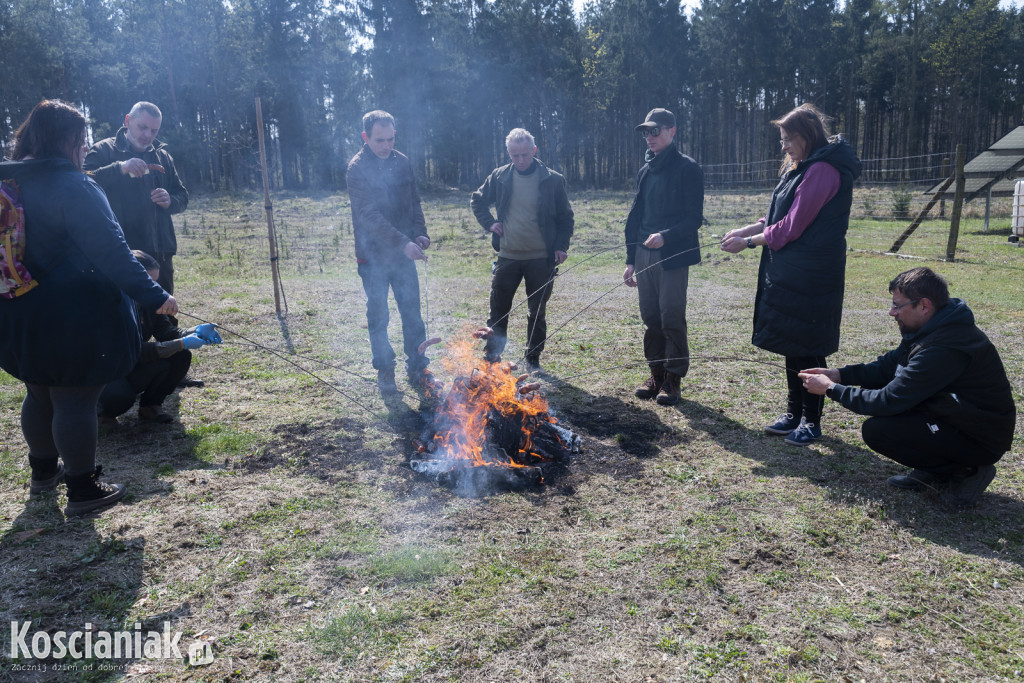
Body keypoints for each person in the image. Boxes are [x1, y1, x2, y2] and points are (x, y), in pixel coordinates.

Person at [0, 100, 178, 516]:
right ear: (66, 141)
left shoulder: (11, 182)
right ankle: (83, 487)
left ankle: (44, 472)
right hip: (72, 314)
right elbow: (113, 252)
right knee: (76, 398)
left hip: (18, 308)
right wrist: (157, 296)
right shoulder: (74, 186)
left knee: (40, 391)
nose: (84, 148)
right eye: (80, 141)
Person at [800, 268, 1016, 509]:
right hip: (951, 416)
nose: (892, 312)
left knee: (880, 431)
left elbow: (888, 400)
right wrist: (839, 375)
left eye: (898, 305)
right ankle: (937, 468)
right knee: (888, 425)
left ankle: (969, 470)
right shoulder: (931, 329)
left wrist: (831, 389)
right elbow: (888, 367)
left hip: (978, 437)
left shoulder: (946, 346)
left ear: (924, 305)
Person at [721, 104, 861, 445]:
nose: (783, 146)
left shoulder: (823, 170)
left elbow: (792, 227)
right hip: (792, 271)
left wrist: (750, 242)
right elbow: (778, 215)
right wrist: (745, 229)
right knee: (792, 341)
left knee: (809, 344)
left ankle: (811, 421)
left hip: (813, 273)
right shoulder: (802, 167)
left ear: (807, 135)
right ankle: (793, 412)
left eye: (788, 139)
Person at [83, 102, 200, 388]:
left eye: (154, 130)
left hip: (160, 248)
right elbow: (82, 182)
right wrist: (119, 168)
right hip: (124, 250)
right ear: (127, 121)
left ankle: (174, 367)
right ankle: (121, 373)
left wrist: (170, 200)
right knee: (124, 312)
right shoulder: (104, 151)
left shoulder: (163, 156)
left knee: (164, 306)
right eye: (142, 127)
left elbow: (182, 195)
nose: (147, 135)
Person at [470, 128, 575, 373]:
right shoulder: (499, 177)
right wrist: (490, 223)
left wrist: (561, 246)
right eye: (514, 155)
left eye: (524, 155)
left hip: (541, 258)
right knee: (498, 311)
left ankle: (533, 358)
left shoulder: (552, 179)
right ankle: (493, 357)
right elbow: (477, 200)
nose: (519, 160)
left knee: (536, 311)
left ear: (534, 151)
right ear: (508, 153)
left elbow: (565, 218)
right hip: (507, 256)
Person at [346, 110, 434, 395]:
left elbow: (414, 201)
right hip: (372, 258)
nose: (386, 145)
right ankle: (385, 370)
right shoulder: (357, 168)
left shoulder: (402, 162)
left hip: (404, 253)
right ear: (365, 137)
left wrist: (419, 233)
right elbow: (369, 216)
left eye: (391, 139)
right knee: (379, 315)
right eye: (380, 140)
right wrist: (403, 242)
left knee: (412, 313)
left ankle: (418, 367)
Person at [623, 108, 704, 406]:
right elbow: (635, 218)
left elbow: (694, 218)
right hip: (643, 255)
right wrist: (630, 259)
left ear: (672, 131)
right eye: (646, 132)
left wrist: (666, 236)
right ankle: (655, 374)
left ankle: (673, 380)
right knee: (650, 316)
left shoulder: (688, 168)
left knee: (671, 315)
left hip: (672, 254)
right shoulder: (645, 171)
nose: (649, 137)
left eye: (655, 131)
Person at [98, 251, 222, 425]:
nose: (152, 288)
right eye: (147, 282)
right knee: (120, 397)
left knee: (181, 355)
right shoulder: (110, 305)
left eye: (154, 282)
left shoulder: (149, 302)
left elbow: (167, 332)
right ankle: (100, 413)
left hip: (130, 364)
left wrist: (195, 331)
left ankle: (150, 406)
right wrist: (180, 343)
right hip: (107, 371)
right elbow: (131, 351)